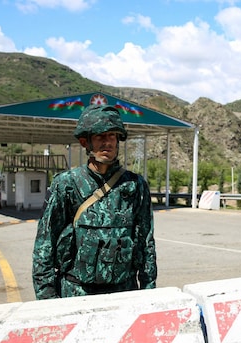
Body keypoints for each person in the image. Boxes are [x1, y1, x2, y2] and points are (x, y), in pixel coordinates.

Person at [32, 104, 157, 299]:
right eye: (100, 136)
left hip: (124, 293)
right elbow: (44, 244)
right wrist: (47, 299)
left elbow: (145, 242)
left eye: (112, 136)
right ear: (85, 142)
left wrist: (148, 291)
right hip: (76, 293)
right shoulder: (67, 184)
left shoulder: (135, 185)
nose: (107, 142)